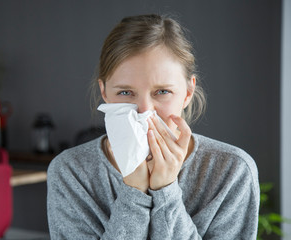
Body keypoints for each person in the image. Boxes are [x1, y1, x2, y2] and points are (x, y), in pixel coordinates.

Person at [47, 14, 259, 239]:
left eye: (162, 92)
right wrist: (134, 193)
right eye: (125, 93)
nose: (145, 113)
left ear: (188, 93)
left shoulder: (232, 171)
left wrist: (166, 191)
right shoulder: (70, 171)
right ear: (104, 93)